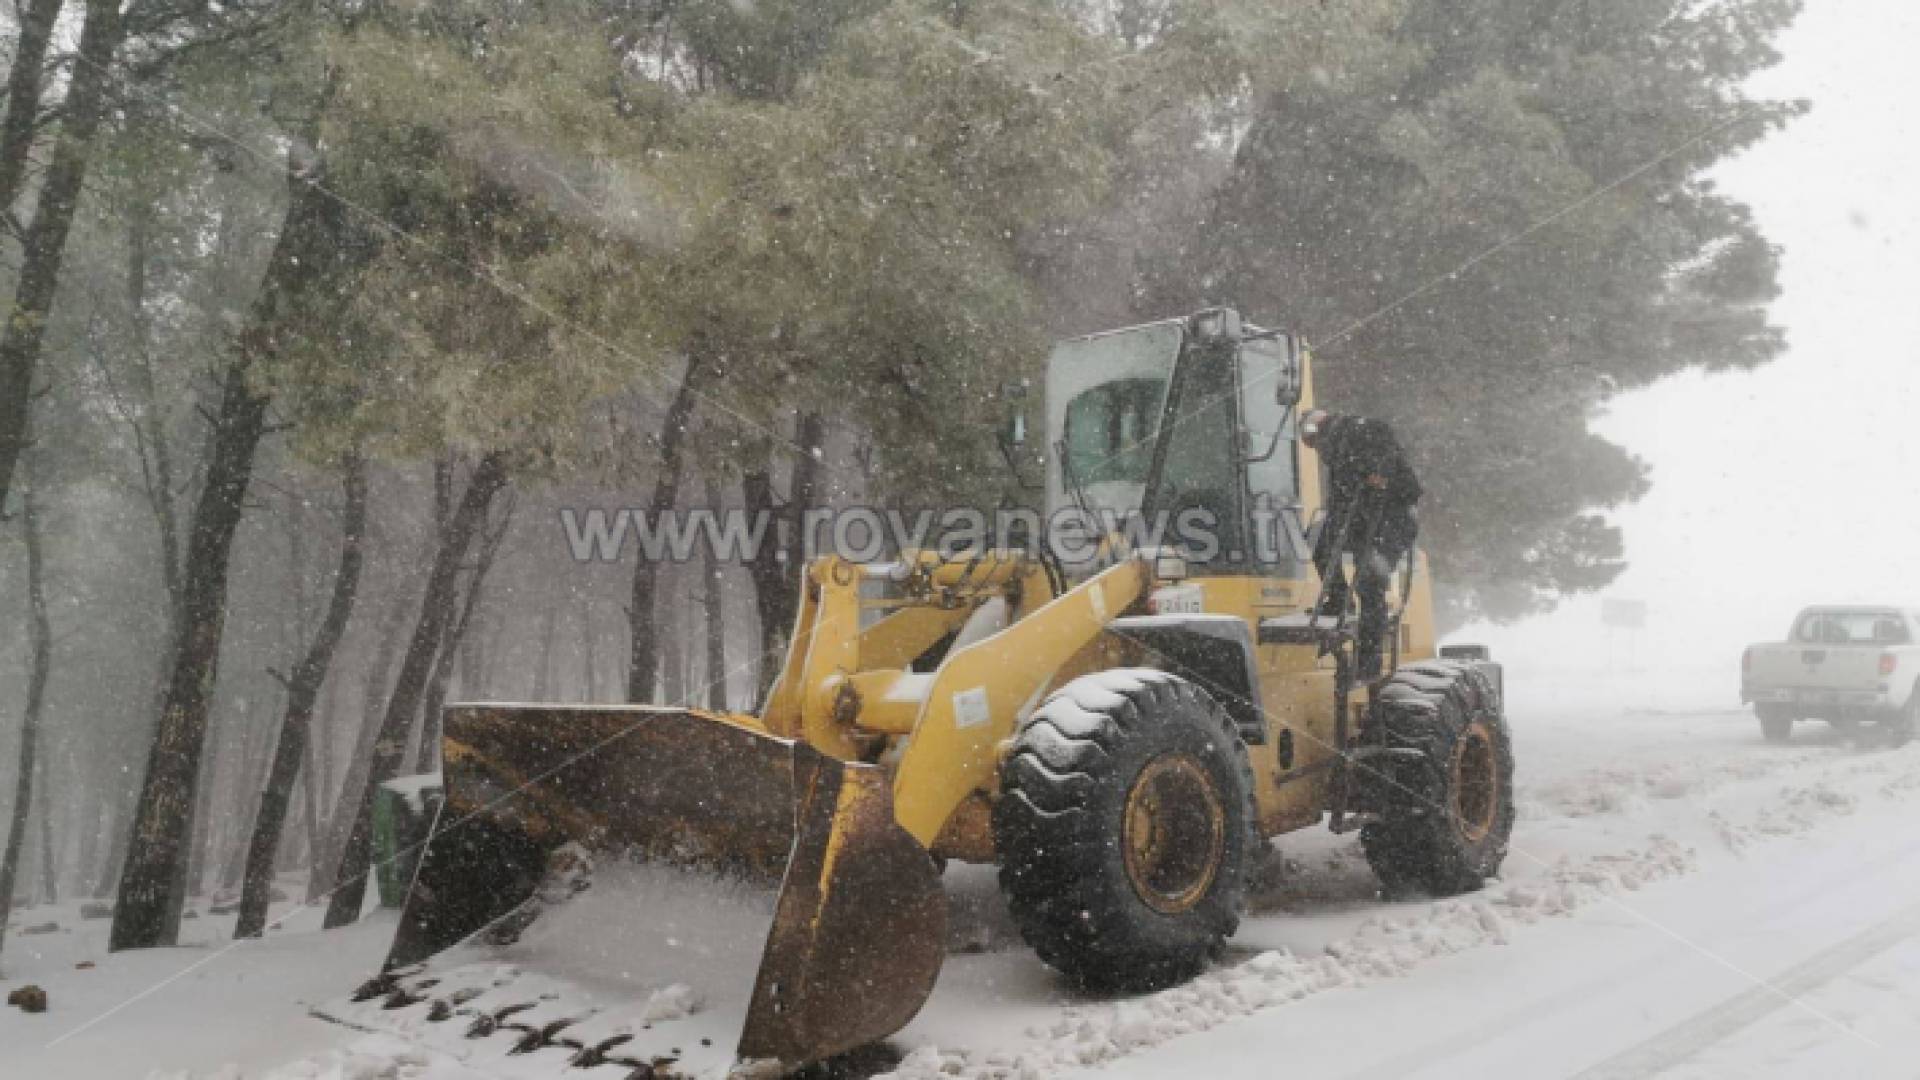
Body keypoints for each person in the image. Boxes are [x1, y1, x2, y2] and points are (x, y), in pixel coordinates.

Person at [1299, 409, 1423, 679]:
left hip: (1391, 516)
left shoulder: (1357, 429)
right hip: (1361, 516)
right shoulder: (1337, 451)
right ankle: (1339, 598)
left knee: (1370, 580)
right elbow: (1341, 497)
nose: (1317, 451)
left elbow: (1383, 442)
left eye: (1314, 443)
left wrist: (1378, 473)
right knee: (1318, 538)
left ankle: (1369, 662)